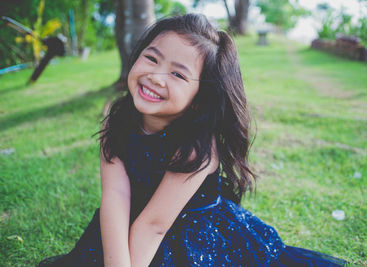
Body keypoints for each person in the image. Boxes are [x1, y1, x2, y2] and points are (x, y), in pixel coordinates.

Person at [38, 14, 347, 267]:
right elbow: (115, 196)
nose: (156, 77)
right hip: (134, 217)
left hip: (194, 236)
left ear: (199, 99)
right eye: (152, 58)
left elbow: (154, 224)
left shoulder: (198, 144)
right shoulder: (117, 117)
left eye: (178, 75)